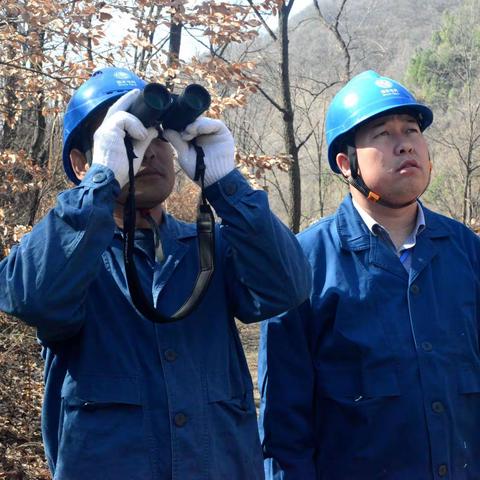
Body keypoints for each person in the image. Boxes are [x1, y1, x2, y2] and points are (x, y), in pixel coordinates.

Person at [0, 66, 311, 480]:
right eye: (127, 137)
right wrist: (100, 183)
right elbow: (31, 296)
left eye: (159, 136)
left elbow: (288, 287)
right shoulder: (67, 255)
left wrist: (226, 183)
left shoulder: (211, 246)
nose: (148, 149)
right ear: (80, 163)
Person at [258, 70, 480, 479]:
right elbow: (283, 431)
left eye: (412, 130)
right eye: (383, 134)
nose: (405, 144)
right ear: (346, 163)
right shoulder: (305, 263)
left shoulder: (467, 251)